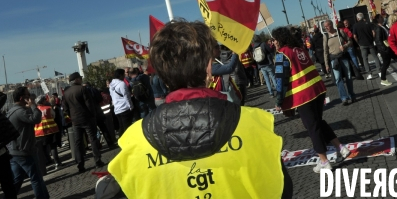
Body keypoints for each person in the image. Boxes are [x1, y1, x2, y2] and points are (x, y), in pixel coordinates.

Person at [108, 19, 293, 199]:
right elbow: (282, 189)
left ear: (161, 74)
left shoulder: (132, 142)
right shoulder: (255, 123)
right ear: (208, 68)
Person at [273, 26, 350, 174]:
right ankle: (341, 147)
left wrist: (279, 101)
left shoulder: (281, 55)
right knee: (318, 122)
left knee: (312, 127)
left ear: (280, 40)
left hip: (303, 95)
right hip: (317, 89)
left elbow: (280, 81)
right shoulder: (299, 49)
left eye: (275, 40)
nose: (274, 42)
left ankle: (324, 161)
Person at [7, 87, 50, 198]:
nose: (30, 96)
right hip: (25, 151)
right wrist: (33, 105)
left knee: (17, 179)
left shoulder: (11, 111)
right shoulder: (20, 111)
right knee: (36, 178)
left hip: (15, 151)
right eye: (28, 95)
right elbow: (36, 119)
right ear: (23, 98)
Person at [63, 72, 104, 172]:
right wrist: (92, 115)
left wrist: (72, 116)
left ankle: (80, 164)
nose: (81, 80)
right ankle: (97, 160)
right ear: (77, 80)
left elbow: (65, 108)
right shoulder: (82, 89)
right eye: (80, 78)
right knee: (92, 138)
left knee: (78, 142)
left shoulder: (66, 93)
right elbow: (89, 104)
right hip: (87, 118)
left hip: (75, 120)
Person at [323, 20, 356, 105]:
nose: (326, 28)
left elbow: (350, 41)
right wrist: (326, 64)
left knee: (348, 77)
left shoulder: (340, 32)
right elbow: (325, 51)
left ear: (331, 25)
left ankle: (351, 95)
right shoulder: (326, 36)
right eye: (325, 26)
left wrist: (345, 46)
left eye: (327, 26)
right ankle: (344, 98)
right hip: (334, 60)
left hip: (343, 57)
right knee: (338, 79)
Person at [34, 95, 62, 169]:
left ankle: (44, 165)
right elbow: (54, 116)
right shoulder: (49, 108)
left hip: (39, 133)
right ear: (43, 101)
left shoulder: (34, 110)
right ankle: (57, 163)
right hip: (51, 130)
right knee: (53, 147)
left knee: (42, 150)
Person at [353, 12, 382, 80]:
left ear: (357, 18)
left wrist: (358, 43)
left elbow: (354, 36)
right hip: (370, 42)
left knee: (365, 59)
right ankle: (379, 71)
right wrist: (372, 39)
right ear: (363, 17)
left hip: (362, 44)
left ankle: (369, 74)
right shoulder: (369, 23)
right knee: (375, 57)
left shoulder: (355, 26)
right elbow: (373, 32)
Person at [109, 69, 134, 137]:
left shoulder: (111, 85)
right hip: (124, 108)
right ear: (120, 75)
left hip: (117, 109)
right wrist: (131, 106)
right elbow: (126, 96)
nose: (124, 76)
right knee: (127, 127)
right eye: (123, 74)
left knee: (122, 127)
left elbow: (112, 96)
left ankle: (121, 142)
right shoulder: (122, 84)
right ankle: (127, 142)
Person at [372, 14, 394, 86]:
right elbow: (378, 40)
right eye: (381, 17)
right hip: (385, 49)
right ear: (378, 19)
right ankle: (383, 79)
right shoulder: (378, 28)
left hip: (389, 47)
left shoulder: (383, 26)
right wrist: (384, 49)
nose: (383, 18)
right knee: (385, 64)